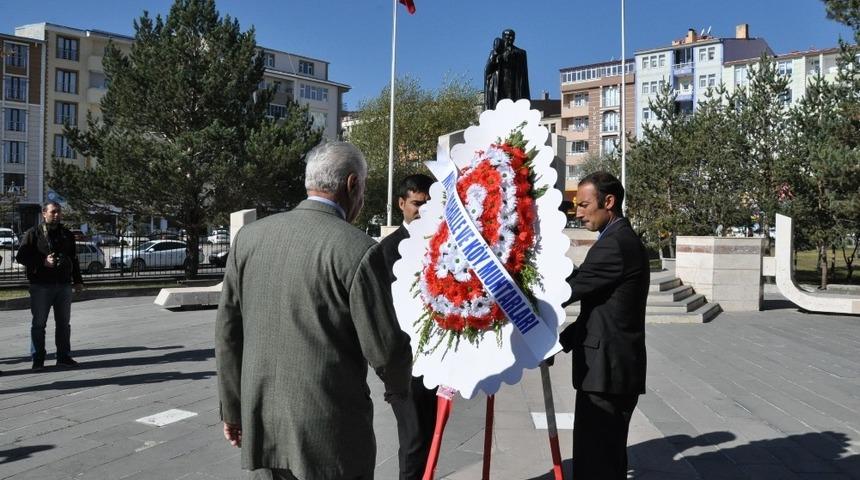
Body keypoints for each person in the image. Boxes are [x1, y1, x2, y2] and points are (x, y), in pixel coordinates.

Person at [215, 141, 413, 480]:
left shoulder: (248, 238)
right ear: (352, 184)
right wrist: (400, 387)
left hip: (262, 424)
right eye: (363, 186)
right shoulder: (359, 249)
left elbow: (228, 333)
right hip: (329, 432)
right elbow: (386, 348)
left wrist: (232, 410)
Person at [559, 172, 649, 479]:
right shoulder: (617, 239)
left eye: (584, 205)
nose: (578, 212)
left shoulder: (615, 244)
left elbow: (568, 292)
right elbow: (597, 311)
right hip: (609, 372)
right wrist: (557, 344)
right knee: (603, 460)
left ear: (608, 202)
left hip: (607, 375)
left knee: (596, 464)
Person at [378, 174, 436, 480]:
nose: (422, 210)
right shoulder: (388, 250)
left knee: (430, 436)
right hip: (403, 362)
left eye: (428, 204)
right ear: (401, 204)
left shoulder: (440, 244)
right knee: (413, 440)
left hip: (434, 359)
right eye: (416, 203)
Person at [16, 201, 84, 370]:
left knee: (64, 324)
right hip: (41, 285)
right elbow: (21, 257)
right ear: (44, 213)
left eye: (58, 211)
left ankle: (63, 357)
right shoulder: (33, 233)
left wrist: (78, 280)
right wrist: (42, 261)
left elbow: (73, 258)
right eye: (53, 212)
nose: (56, 215)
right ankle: (38, 359)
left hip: (63, 284)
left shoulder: (66, 234)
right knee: (39, 324)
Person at [484, 29, 530, 110]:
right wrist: (495, 54)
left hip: (514, 84)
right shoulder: (495, 52)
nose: (510, 38)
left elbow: (524, 75)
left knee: (513, 106)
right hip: (499, 84)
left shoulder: (520, 53)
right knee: (499, 106)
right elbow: (487, 70)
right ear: (503, 37)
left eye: (512, 36)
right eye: (507, 36)